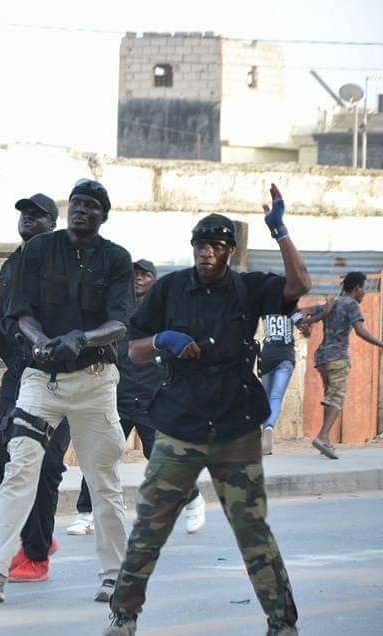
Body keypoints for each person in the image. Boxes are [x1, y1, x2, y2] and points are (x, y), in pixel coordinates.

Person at [104, 183, 310, 636]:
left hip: (236, 425)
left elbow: (301, 285)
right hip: (180, 425)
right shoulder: (170, 289)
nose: (205, 252)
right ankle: (124, 615)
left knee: (252, 531)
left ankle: (282, 624)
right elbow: (133, 349)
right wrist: (161, 340)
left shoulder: (251, 288)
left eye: (216, 246)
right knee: (150, 529)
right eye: (200, 244)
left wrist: (280, 231)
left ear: (230, 253)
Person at [0, 179, 133, 604]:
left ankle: (115, 576)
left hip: (96, 383)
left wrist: (81, 339)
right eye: (76, 203)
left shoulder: (117, 259)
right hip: (41, 380)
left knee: (104, 481)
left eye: (91, 205)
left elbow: (120, 323)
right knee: (18, 467)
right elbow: (20, 314)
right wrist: (42, 342)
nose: (81, 210)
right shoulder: (39, 252)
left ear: (103, 215)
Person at [0, 193, 69, 583]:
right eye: (24, 214)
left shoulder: (66, 265)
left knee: (48, 463)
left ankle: (36, 553)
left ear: (52, 223)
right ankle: (37, 533)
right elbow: (6, 323)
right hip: (18, 375)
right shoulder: (13, 266)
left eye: (37, 216)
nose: (28, 220)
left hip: (59, 378)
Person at [67, 259, 208, 537]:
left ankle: (193, 500)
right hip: (117, 394)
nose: (138, 279)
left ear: (154, 280)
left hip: (153, 396)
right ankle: (86, 513)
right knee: (99, 454)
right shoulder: (116, 309)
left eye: (145, 275)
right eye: (134, 274)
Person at [306, 271, 383, 460]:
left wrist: (305, 323)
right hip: (338, 357)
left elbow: (306, 312)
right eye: (364, 288)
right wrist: (380, 343)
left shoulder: (332, 303)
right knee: (337, 397)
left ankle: (326, 441)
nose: (365, 293)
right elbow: (360, 331)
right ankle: (323, 436)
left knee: (330, 396)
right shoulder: (352, 305)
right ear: (357, 288)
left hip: (322, 358)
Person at [259, 309, 311, 455]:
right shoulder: (292, 308)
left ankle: (265, 438)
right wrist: (307, 329)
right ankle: (269, 427)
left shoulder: (265, 308)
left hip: (267, 356)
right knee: (276, 397)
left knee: (266, 398)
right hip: (285, 357)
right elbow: (304, 328)